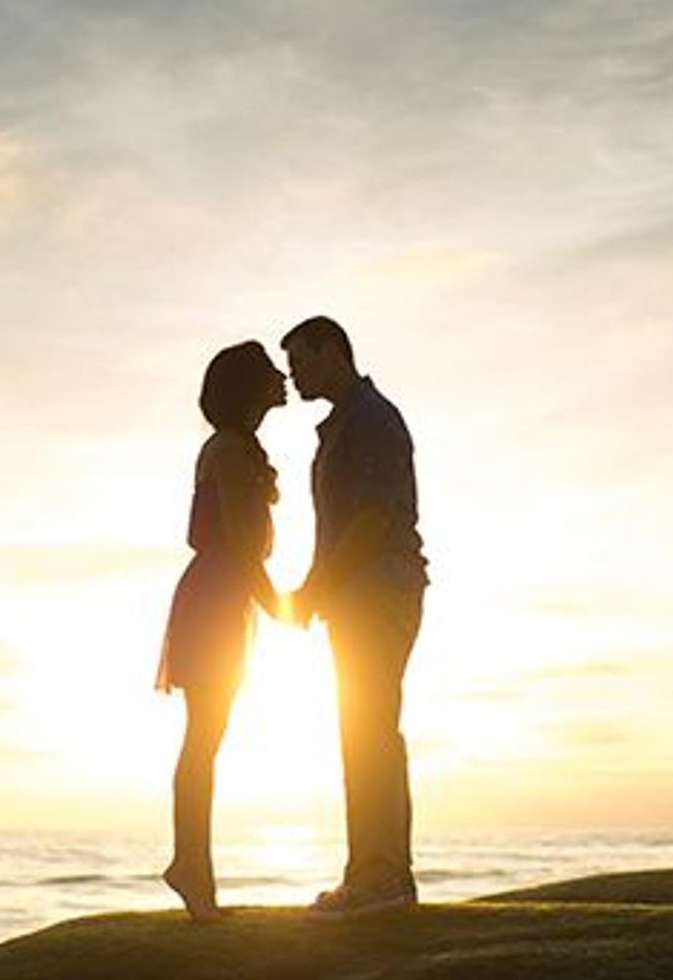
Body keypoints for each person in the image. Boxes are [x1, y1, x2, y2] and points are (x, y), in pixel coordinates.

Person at [281, 316, 428, 919]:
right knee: (363, 731)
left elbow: (369, 521)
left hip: (377, 589)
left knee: (370, 732)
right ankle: (374, 874)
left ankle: (381, 878)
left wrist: (315, 588)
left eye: (302, 362)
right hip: (358, 592)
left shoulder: (370, 419)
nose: (294, 376)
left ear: (333, 351)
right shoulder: (346, 423)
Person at [155, 340, 291, 921]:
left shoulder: (237, 447)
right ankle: (191, 869)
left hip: (223, 596)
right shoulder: (230, 449)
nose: (282, 378)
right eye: (270, 373)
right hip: (216, 597)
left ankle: (194, 868)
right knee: (204, 738)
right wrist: (285, 608)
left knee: (207, 737)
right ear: (249, 387)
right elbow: (239, 541)